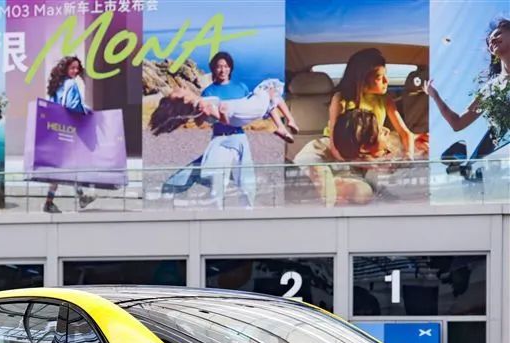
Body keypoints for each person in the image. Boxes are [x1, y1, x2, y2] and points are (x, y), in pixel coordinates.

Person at [293, 48, 426, 205]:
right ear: (362, 80)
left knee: (366, 189)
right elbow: (335, 147)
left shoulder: (385, 99)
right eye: (379, 78)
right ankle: (324, 182)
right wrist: (366, 162)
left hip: (368, 150)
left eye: (385, 75)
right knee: (313, 159)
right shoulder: (341, 99)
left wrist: (408, 156)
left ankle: (339, 187)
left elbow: (405, 133)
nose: (386, 81)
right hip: (338, 148)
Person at [425, 18, 509, 169]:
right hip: (498, 165)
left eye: (498, 34)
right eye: (489, 41)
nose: (492, 41)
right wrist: (435, 96)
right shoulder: (490, 89)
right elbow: (457, 123)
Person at [153, 79, 299, 142]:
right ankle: (290, 120)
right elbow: (224, 121)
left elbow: (201, 121)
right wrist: (222, 113)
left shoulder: (199, 106)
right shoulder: (202, 105)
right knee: (270, 88)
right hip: (239, 111)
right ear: (183, 100)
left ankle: (282, 127)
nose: (181, 87)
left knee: (271, 99)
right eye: (178, 91)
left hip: (241, 111)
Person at [198, 51, 256, 208]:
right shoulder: (208, 92)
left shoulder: (241, 88)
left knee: (246, 181)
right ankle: (217, 215)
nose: (222, 70)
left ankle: (247, 214)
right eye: (218, 67)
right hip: (220, 138)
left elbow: (251, 108)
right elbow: (202, 120)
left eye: (225, 66)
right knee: (218, 182)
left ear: (230, 68)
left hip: (239, 136)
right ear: (213, 69)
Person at [43, 56, 95, 213]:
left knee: (67, 165)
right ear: (65, 68)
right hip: (68, 129)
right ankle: (50, 202)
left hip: (56, 129)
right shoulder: (71, 84)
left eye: (77, 68)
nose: (75, 71)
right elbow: (73, 106)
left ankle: (79, 197)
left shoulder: (56, 85)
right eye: (72, 68)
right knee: (66, 165)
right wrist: (87, 111)